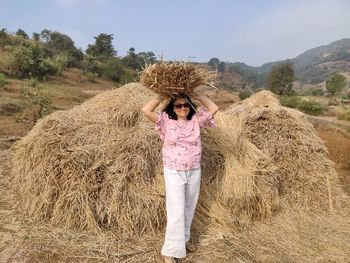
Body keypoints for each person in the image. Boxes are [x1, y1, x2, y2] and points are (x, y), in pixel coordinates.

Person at [141, 91, 219, 263]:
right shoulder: (165, 122)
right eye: (178, 105)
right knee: (176, 210)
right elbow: (146, 110)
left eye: (185, 105)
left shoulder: (196, 122)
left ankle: (184, 239)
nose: (182, 108)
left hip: (193, 170)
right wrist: (163, 95)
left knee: (189, 207)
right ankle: (169, 250)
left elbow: (214, 108)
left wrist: (197, 95)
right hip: (174, 171)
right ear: (173, 108)